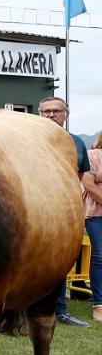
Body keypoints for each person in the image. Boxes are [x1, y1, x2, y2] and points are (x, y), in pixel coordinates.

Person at [39, 96, 92, 328]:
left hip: (62, 212)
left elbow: (79, 175)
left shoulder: (76, 143)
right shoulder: (30, 138)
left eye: (56, 111)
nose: (51, 115)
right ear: (40, 114)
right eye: (46, 111)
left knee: (61, 261)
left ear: (66, 115)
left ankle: (60, 310)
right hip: (35, 208)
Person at [82, 134, 102, 323]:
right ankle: (99, 303)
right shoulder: (93, 155)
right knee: (100, 256)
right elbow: (88, 184)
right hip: (97, 215)